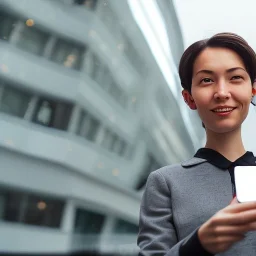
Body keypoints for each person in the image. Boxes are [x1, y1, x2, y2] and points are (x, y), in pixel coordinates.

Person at [137, 32, 256, 256]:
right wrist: (199, 244)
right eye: (207, 80)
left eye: (235, 78)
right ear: (189, 98)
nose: (222, 93)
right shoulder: (165, 183)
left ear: (253, 89)